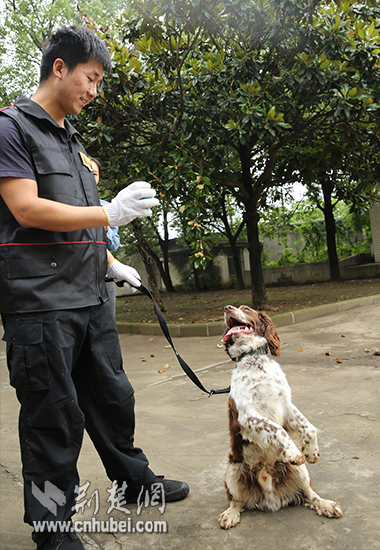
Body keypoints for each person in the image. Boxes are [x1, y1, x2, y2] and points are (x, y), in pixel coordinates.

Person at [0, 26, 189, 550]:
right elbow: (26, 208)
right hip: (40, 305)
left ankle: (134, 484)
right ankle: (54, 533)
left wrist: (109, 260)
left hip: (91, 297)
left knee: (112, 398)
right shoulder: (11, 129)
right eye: (91, 77)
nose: (94, 90)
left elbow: (81, 225)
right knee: (52, 418)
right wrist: (109, 212)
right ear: (59, 67)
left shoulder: (74, 142)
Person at [90, 157, 120, 314]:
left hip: (105, 277)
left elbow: (113, 245)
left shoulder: (107, 207)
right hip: (75, 279)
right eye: (86, 172)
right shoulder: (67, 204)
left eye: (94, 173)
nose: (90, 177)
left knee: (106, 328)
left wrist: (106, 229)